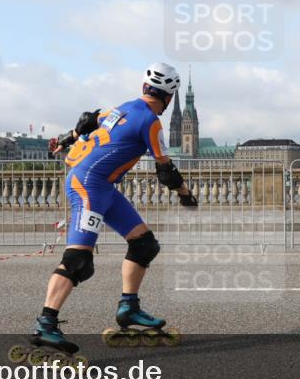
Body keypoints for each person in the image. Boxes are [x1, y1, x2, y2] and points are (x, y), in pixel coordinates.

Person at [33, 62, 197, 354]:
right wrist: (186, 195)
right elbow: (166, 171)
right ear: (169, 97)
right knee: (78, 261)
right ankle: (46, 323)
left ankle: (129, 308)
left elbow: (88, 120)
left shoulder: (124, 108)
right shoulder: (150, 121)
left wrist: (66, 139)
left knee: (144, 245)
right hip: (89, 186)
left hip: (102, 187)